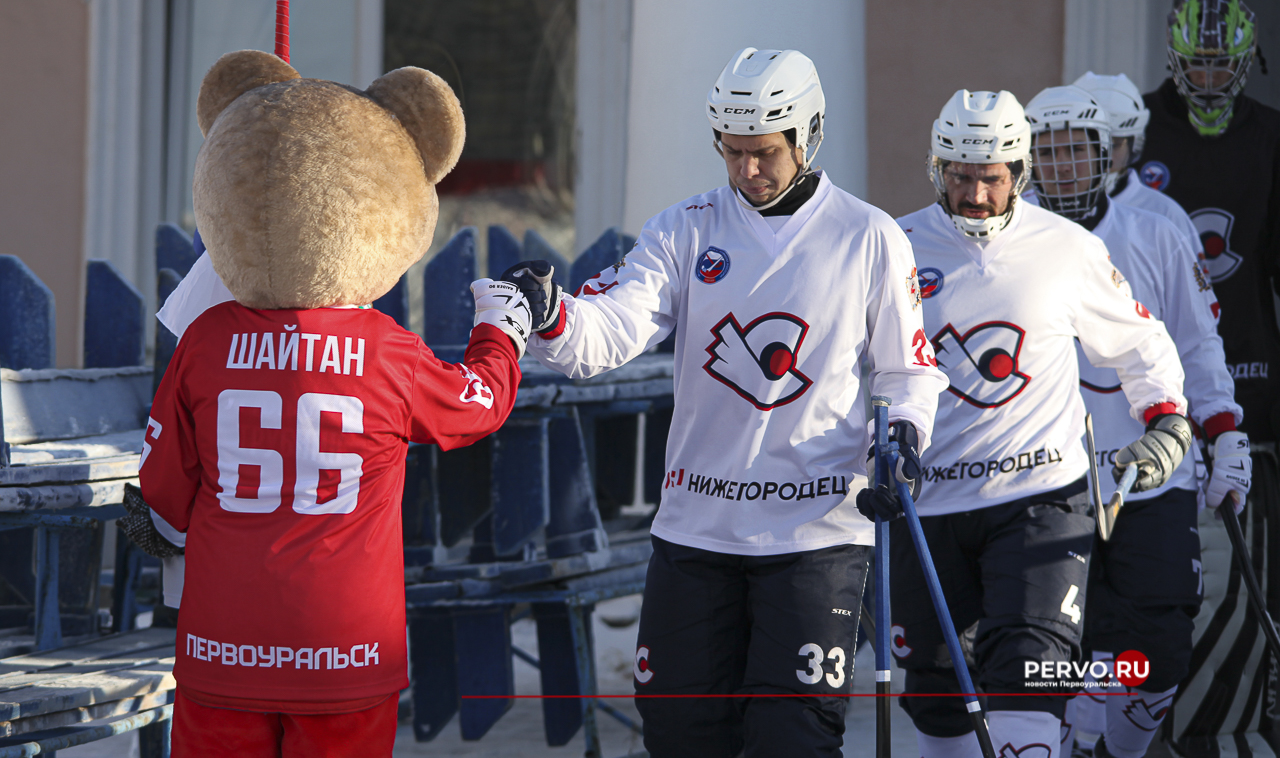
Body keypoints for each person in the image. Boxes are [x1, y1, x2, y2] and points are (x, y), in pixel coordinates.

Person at [503, 47, 948, 757]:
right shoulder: (685, 228)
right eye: (732, 152)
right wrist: (553, 313)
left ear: (809, 135)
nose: (747, 171)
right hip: (696, 530)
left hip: (815, 535)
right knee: (682, 737)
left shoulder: (869, 236)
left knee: (791, 740)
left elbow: (909, 372)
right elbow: (611, 330)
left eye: (765, 153)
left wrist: (901, 442)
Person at [867, 89, 1189, 758]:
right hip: (932, 503)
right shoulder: (892, 246)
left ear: (1022, 170)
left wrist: (1165, 418)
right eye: (959, 175)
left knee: (1028, 683)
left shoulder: (1064, 248)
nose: (975, 194)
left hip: (1041, 497)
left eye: (991, 177)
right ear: (937, 169)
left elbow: (1138, 341)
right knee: (936, 693)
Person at [1023, 85, 1245, 758]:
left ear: (1111, 155)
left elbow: (1197, 342)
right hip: (1051, 478)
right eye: (1050, 152)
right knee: (1063, 643)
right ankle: (1074, 739)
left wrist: (1223, 429)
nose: (1063, 166)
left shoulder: (1155, 226)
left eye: (1077, 151)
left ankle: (1114, 747)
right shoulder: (1015, 235)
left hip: (1152, 468)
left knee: (1159, 648)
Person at [1131, 0, 1279, 746]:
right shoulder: (1140, 131)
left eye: (1224, 65)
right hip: (1144, 394)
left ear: (1247, 63)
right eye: (1199, 64)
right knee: (1146, 580)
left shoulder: (1270, 137)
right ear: (1174, 61)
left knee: (1242, 580)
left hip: (1246, 391)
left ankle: (1227, 726)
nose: (1213, 79)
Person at [1070, 72, 1204, 264]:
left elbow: (1191, 291)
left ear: (1134, 145)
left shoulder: (1165, 215)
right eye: (1089, 146)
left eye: (1113, 145)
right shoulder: (1033, 207)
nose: (1102, 158)